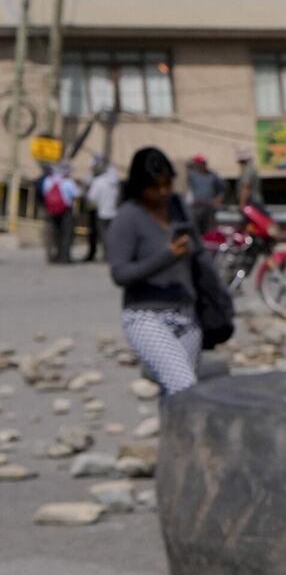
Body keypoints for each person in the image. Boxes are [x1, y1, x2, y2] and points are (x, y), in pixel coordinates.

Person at [109, 147, 205, 396]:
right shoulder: (127, 218)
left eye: (168, 184)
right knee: (185, 388)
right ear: (140, 185)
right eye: (156, 186)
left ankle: (172, 435)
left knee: (174, 395)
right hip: (147, 316)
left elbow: (199, 258)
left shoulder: (178, 207)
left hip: (187, 315)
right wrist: (167, 256)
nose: (163, 192)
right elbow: (120, 274)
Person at [84, 155, 121, 262]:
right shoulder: (115, 182)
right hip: (113, 211)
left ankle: (106, 256)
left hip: (102, 212)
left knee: (104, 235)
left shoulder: (99, 181)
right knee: (112, 235)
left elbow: (92, 198)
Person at [41, 164, 80, 264]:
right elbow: (77, 194)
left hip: (52, 211)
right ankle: (64, 257)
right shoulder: (68, 182)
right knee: (66, 235)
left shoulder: (48, 180)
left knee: (56, 234)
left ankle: (56, 256)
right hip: (66, 211)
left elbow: (44, 193)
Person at [185, 154, 224, 236]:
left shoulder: (212, 175)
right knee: (196, 229)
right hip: (196, 207)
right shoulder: (192, 175)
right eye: (200, 163)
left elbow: (222, 188)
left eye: (204, 163)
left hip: (209, 207)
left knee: (209, 230)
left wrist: (219, 199)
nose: (202, 165)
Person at [234, 146, 261, 211]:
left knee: (263, 220)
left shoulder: (247, 170)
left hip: (251, 203)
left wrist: (242, 204)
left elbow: (246, 187)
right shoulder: (250, 168)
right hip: (252, 202)